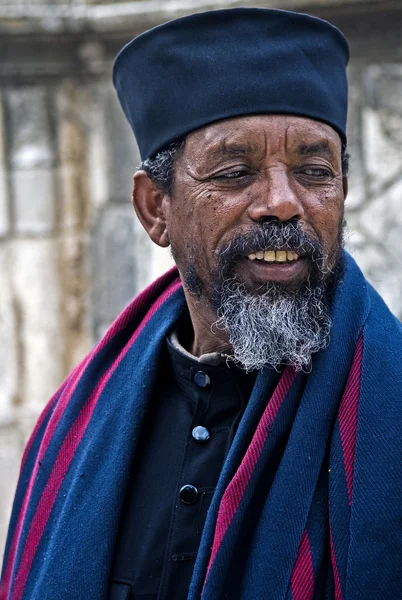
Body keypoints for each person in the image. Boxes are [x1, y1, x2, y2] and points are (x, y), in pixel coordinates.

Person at [1, 7, 402, 600]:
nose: (283, 203)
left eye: (315, 171)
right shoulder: (71, 430)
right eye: (236, 172)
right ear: (155, 209)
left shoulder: (387, 412)